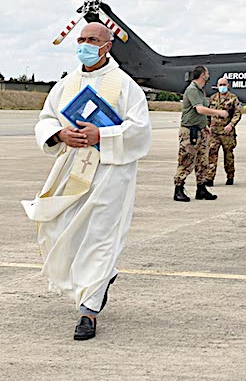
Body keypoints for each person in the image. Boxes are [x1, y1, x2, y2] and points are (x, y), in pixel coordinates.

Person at [21, 22, 152, 341]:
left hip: (110, 174)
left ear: (107, 46)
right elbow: (47, 118)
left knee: (100, 237)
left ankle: (88, 311)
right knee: (63, 231)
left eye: (92, 39)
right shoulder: (67, 84)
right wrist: (59, 133)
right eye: (80, 39)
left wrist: (102, 134)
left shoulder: (124, 85)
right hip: (71, 171)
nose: (84, 44)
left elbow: (140, 129)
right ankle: (101, 278)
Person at [174, 66, 228, 202]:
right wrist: (218, 113)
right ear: (203, 75)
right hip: (189, 131)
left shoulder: (200, 91)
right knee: (186, 160)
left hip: (200, 130)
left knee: (202, 161)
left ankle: (201, 188)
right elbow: (199, 109)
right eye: (207, 73)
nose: (208, 75)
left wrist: (205, 126)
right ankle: (178, 189)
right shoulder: (192, 90)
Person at [205, 77, 243, 186]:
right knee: (211, 155)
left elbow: (237, 114)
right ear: (217, 86)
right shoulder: (212, 98)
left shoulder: (233, 98)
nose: (222, 87)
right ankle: (209, 178)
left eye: (224, 85)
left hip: (227, 134)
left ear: (228, 86)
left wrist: (231, 125)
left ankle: (230, 176)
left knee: (229, 156)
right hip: (214, 133)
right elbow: (208, 114)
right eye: (220, 85)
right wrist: (207, 126)